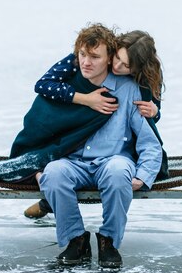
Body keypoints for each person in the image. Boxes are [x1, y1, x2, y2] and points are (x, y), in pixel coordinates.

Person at [38, 23, 162, 268]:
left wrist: (145, 173)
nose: (86, 62)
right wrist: (39, 165)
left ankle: (109, 240)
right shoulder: (69, 86)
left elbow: (150, 141)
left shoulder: (131, 89)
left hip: (113, 159)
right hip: (74, 161)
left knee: (119, 172)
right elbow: (42, 130)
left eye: (95, 57)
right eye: (83, 55)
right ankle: (76, 239)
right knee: (53, 173)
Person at [24, 29, 166, 219]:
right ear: (112, 51)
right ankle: (50, 199)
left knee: (118, 165)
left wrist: (155, 111)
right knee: (57, 169)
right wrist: (85, 99)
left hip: (115, 153)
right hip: (74, 154)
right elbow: (43, 85)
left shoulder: (141, 80)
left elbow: (149, 114)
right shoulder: (80, 59)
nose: (117, 66)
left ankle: (55, 201)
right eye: (116, 58)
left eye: (126, 66)